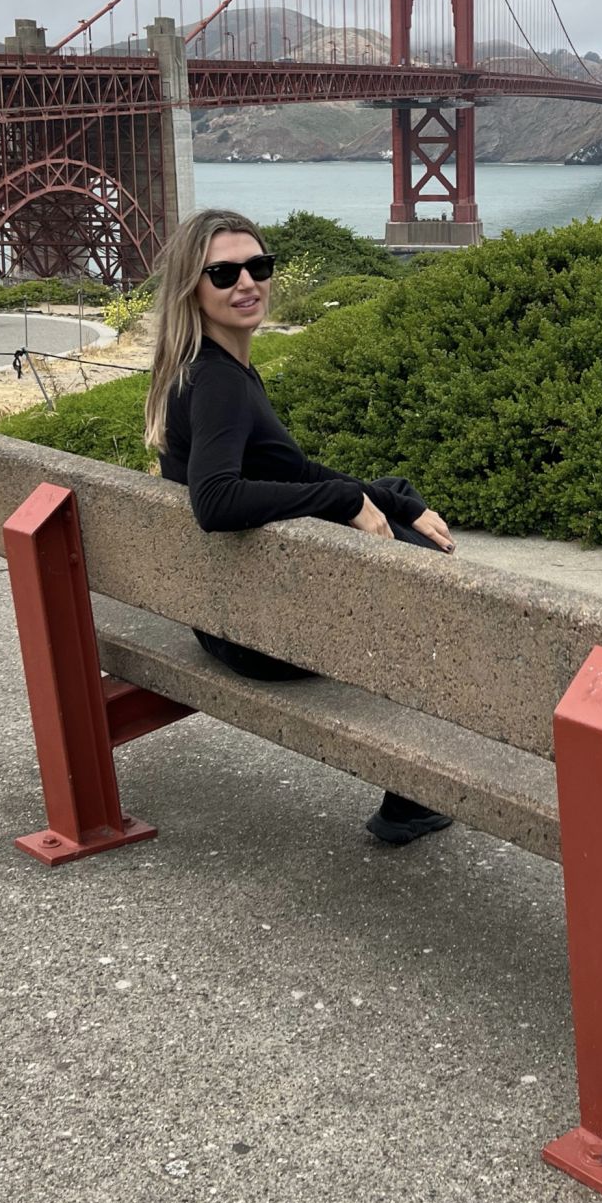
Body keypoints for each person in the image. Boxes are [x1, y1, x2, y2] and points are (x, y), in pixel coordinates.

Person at [145, 207, 455, 846]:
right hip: (258, 639)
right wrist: (344, 501)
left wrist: (383, 500)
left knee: (408, 532)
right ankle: (411, 797)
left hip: (222, 612)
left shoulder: (201, 365)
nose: (246, 283)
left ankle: (414, 790)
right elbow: (215, 499)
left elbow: (289, 469)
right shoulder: (220, 382)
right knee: (427, 588)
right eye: (223, 272)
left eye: (258, 266)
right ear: (191, 287)